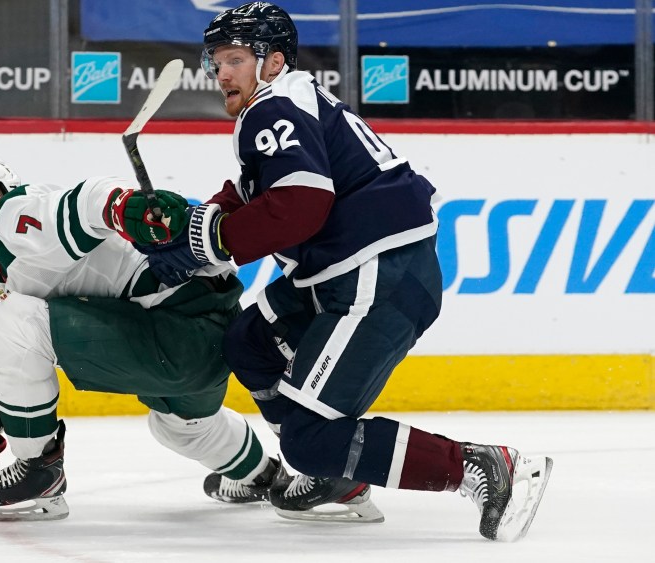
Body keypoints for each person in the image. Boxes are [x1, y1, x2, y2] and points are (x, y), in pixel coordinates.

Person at [127, 2, 553, 541]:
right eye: (216, 60)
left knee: (308, 436)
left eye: (235, 58)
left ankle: (480, 466)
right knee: (251, 341)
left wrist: (207, 246)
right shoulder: (289, 102)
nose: (221, 72)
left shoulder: (272, 110)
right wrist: (194, 221)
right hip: (356, 273)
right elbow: (262, 191)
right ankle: (334, 475)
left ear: (273, 61)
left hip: (376, 279)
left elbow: (301, 203)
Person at [0, 153, 312, 521]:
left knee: (11, 321)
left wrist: (123, 207)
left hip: (177, 326)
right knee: (181, 429)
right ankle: (265, 476)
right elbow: (17, 352)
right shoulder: (8, 266)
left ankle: (38, 469)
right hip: (202, 337)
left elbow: (88, 200)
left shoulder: (12, 216)